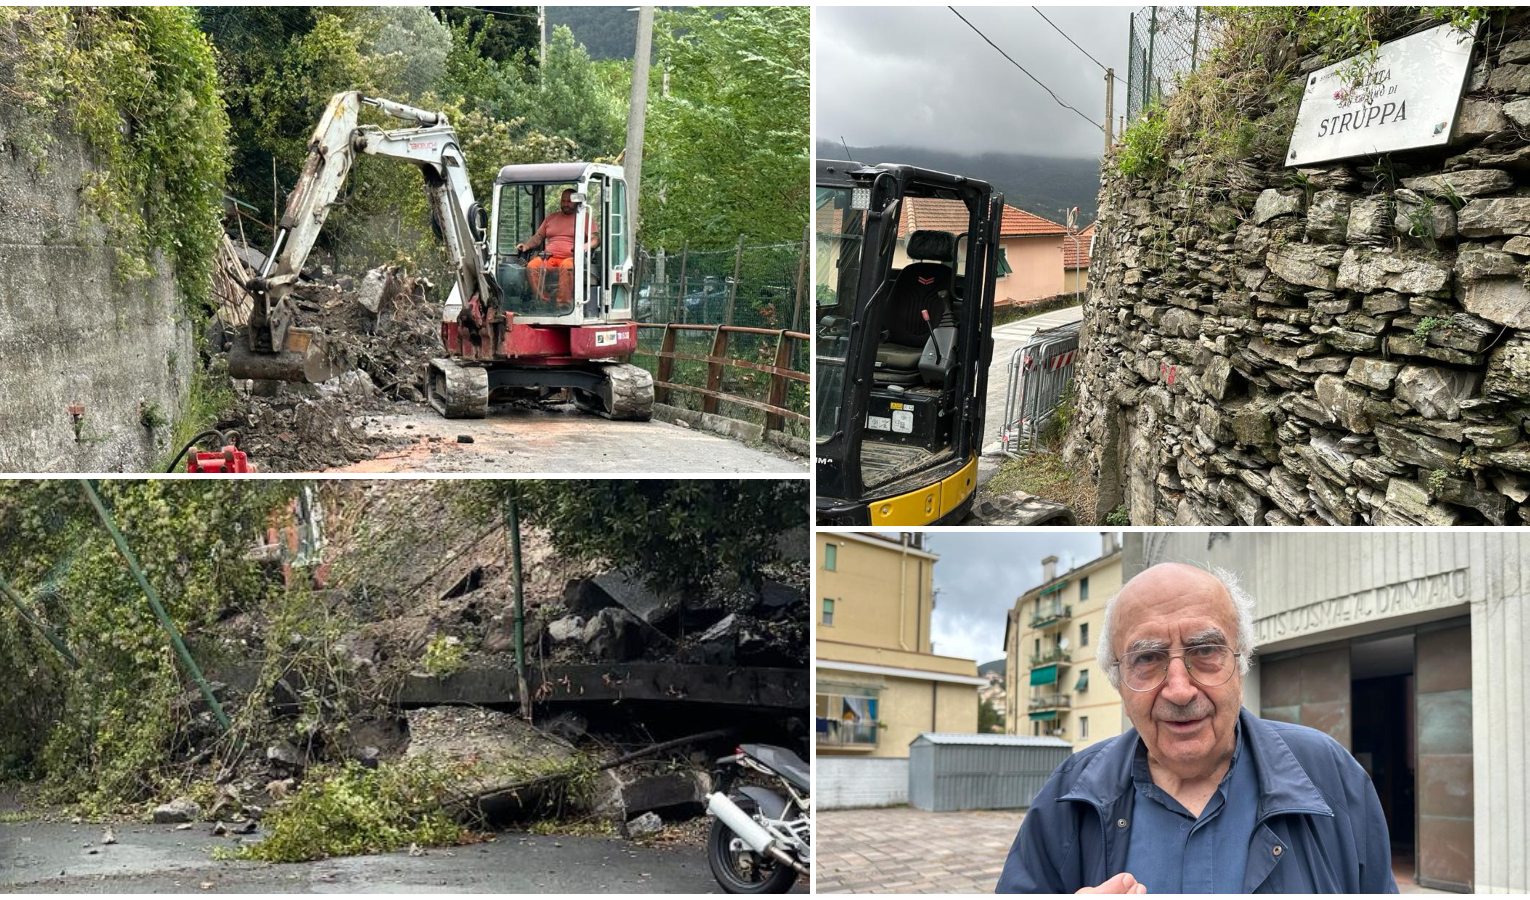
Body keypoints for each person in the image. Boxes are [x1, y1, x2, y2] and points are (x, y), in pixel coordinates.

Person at [996, 563, 1397, 894]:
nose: (1180, 690)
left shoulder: (1329, 775)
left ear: (1240, 664)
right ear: (1118, 680)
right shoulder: (1067, 795)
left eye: (1205, 651)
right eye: (1148, 657)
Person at [517, 188, 599, 306]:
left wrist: (585, 246)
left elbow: (595, 239)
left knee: (567, 266)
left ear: (576, 202)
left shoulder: (584, 218)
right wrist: (526, 246)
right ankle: (544, 302)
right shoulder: (551, 218)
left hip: (571, 258)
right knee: (531, 266)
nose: (565, 204)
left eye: (569, 201)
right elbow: (538, 236)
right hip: (549, 258)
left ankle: (563, 305)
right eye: (563, 201)